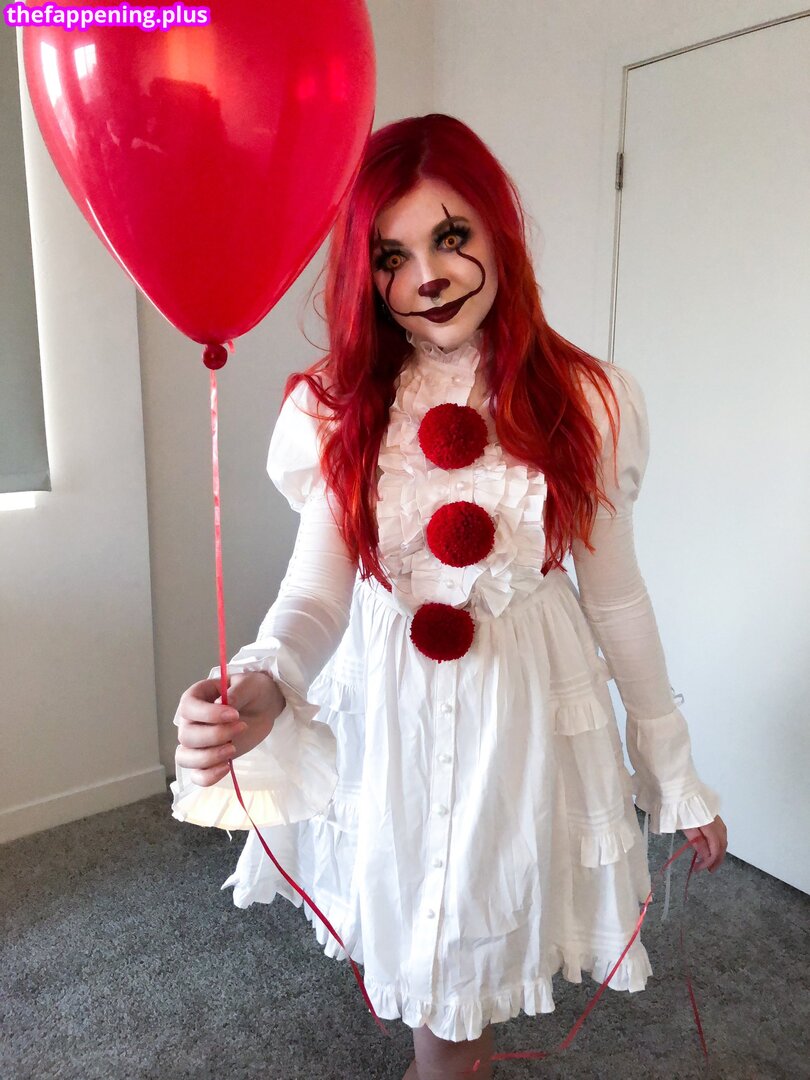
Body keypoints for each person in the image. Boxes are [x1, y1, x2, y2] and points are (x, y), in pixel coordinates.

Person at [171, 114, 728, 1080]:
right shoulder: (336, 407)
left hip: (519, 706)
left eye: (451, 237)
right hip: (390, 704)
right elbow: (317, 589)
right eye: (391, 256)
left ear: (499, 233)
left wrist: (670, 770)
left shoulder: (589, 402)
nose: (426, 276)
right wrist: (268, 675)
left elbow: (617, 600)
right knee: (418, 919)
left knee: (475, 921)